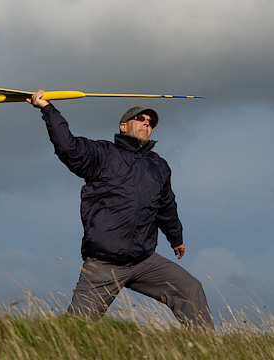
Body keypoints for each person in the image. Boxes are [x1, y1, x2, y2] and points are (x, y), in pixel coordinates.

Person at [27, 90, 214, 329]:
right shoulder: (103, 154)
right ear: (123, 127)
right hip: (105, 263)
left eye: (150, 123)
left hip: (144, 260)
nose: (146, 125)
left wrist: (176, 237)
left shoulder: (159, 166)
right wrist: (47, 109)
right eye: (141, 120)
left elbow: (166, 204)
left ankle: (207, 349)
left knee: (190, 288)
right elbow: (68, 147)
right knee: (75, 328)